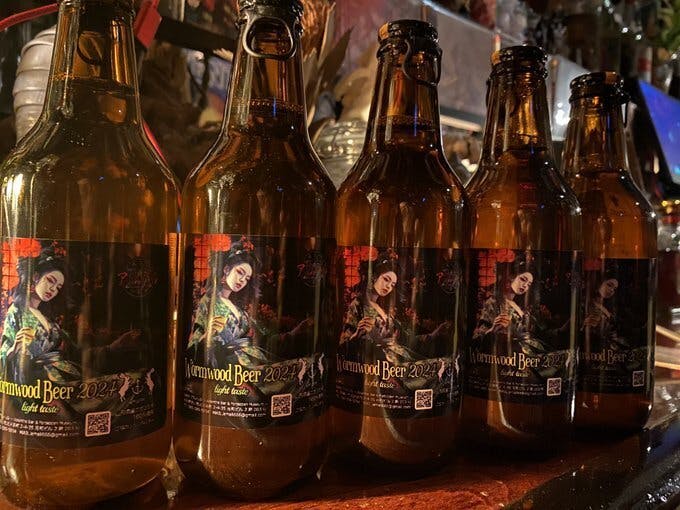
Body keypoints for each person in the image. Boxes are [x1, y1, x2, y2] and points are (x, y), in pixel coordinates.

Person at [0, 248, 79, 386]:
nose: (53, 289)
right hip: (35, 383)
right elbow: (3, 355)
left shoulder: (48, 319)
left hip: (62, 376)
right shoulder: (16, 311)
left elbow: (74, 349)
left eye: (58, 287)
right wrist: (15, 347)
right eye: (50, 281)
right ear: (36, 277)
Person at [188, 239, 262, 368]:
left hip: (248, 365)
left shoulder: (240, 310)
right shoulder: (208, 302)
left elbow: (260, 334)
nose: (242, 280)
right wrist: (207, 335)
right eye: (240, 272)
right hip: (224, 367)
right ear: (227, 269)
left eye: (247, 279)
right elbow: (192, 348)